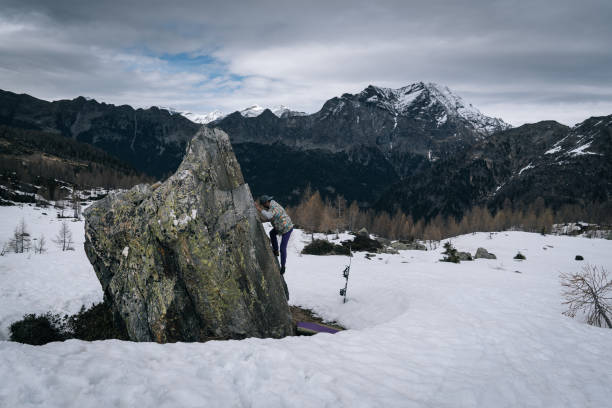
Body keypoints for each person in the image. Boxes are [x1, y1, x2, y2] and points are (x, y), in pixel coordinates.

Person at [255, 195, 293, 274]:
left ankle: (283, 266)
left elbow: (269, 216)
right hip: (280, 226)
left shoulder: (274, 208)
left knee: (283, 248)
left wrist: (259, 209)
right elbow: (270, 216)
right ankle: (276, 251)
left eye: (263, 205)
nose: (263, 207)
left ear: (266, 203)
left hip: (287, 229)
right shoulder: (272, 204)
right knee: (272, 233)